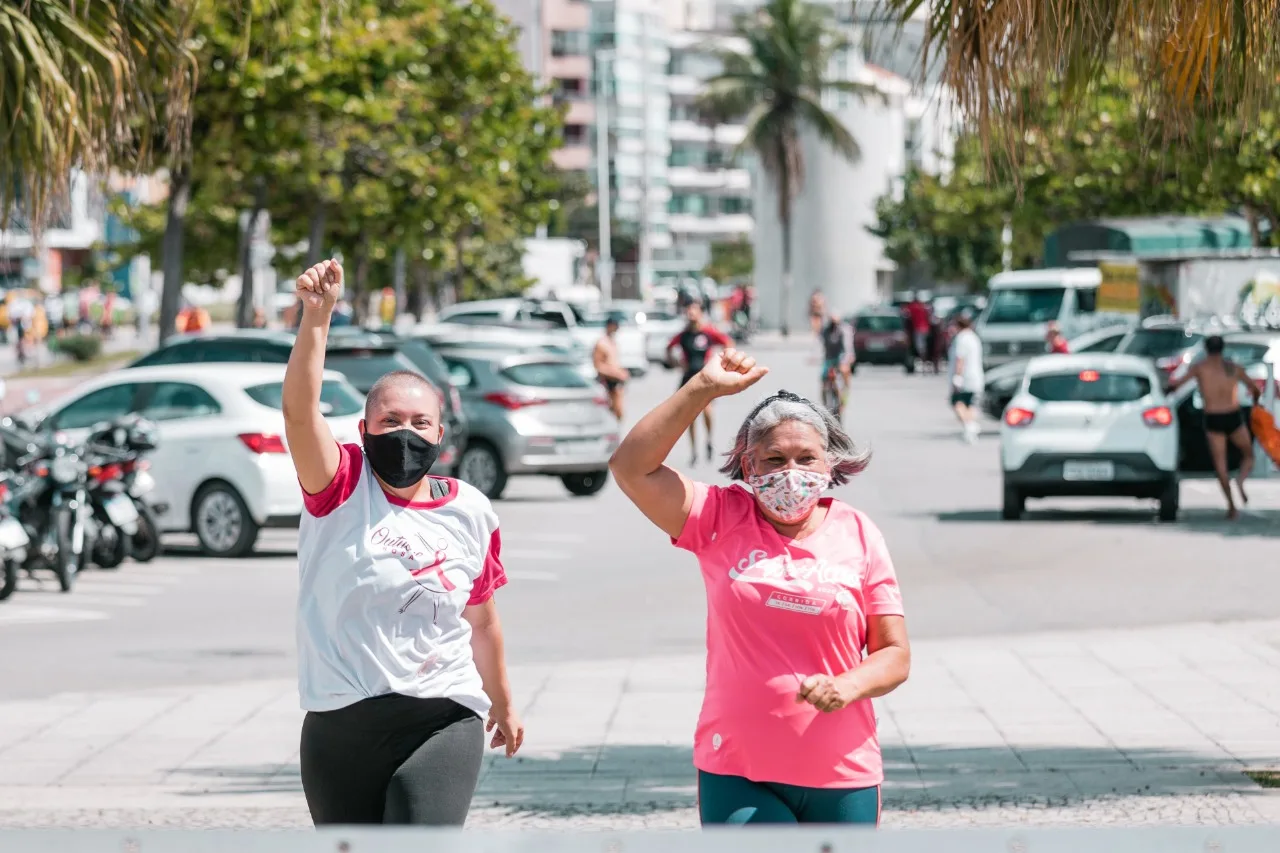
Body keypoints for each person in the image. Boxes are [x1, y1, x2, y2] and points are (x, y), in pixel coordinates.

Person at [609, 354, 911, 826]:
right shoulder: (718, 518)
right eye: (774, 459)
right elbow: (631, 467)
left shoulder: (859, 533)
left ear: (829, 463)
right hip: (738, 768)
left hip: (843, 771)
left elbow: (894, 653)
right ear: (749, 467)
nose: (791, 472)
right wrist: (702, 388)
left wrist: (847, 685)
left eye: (806, 458)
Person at [282, 259, 524, 826]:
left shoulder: (470, 510)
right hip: (339, 723)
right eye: (390, 421)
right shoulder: (340, 485)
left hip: (441, 717)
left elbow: (482, 623)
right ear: (364, 431)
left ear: (441, 435)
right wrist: (316, 316)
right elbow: (298, 412)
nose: (405, 434)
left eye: (420, 423)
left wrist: (504, 703)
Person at [1169, 334, 1261, 520]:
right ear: (1222, 348)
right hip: (1233, 415)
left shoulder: (1200, 368)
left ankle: (1231, 505)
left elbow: (1177, 385)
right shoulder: (1232, 368)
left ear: (1206, 348)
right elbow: (1254, 388)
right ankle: (1240, 481)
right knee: (1249, 454)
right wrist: (1256, 402)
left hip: (1213, 418)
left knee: (1220, 465)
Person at [666, 301, 733, 465]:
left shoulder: (708, 331)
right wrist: (677, 363)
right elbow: (669, 348)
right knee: (690, 416)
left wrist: (722, 362)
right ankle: (694, 450)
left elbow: (727, 342)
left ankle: (709, 440)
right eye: (689, 312)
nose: (691, 315)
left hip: (705, 376)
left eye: (694, 312)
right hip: (688, 376)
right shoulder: (683, 335)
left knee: (707, 410)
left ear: (700, 314)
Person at [947, 312, 984, 443]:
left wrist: (957, 377)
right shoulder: (974, 337)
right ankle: (971, 427)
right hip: (976, 377)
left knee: (957, 403)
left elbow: (960, 359)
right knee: (970, 404)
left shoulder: (961, 338)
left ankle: (969, 426)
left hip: (965, 377)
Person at [593, 317, 629, 421]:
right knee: (611, 412)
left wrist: (621, 372)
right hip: (607, 381)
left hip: (616, 381)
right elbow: (598, 366)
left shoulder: (612, 342)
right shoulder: (601, 344)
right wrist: (616, 374)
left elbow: (613, 362)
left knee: (618, 412)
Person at [819, 310, 854, 405]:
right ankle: (824, 404)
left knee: (844, 372)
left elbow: (847, 348)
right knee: (823, 379)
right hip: (829, 358)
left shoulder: (844, 330)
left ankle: (844, 397)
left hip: (841, 357)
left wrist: (845, 361)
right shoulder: (826, 331)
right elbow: (820, 345)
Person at [905, 296, 931, 369]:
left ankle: (923, 361)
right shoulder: (923, 306)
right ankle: (924, 360)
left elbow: (906, 314)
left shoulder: (912, 307)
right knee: (924, 346)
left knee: (920, 347)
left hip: (918, 329)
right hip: (926, 328)